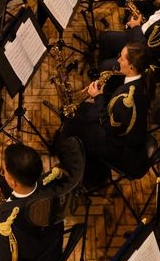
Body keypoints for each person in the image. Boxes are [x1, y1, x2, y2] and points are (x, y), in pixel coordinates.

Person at [56, 42, 153, 185]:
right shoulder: (140, 81)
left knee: (71, 126)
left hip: (117, 145)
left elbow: (108, 126)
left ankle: (77, 172)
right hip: (123, 129)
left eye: (122, 58)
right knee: (82, 111)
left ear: (132, 67)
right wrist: (100, 95)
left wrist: (98, 97)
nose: (118, 59)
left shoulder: (126, 100)